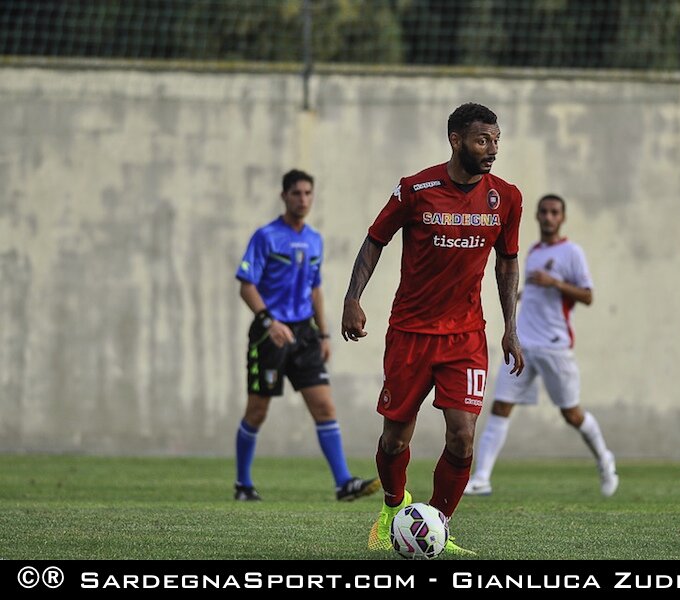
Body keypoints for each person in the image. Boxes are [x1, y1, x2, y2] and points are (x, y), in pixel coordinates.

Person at [341, 103, 525, 556]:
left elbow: (507, 261)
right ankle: (391, 508)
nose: (492, 150)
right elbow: (375, 239)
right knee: (394, 439)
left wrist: (510, 328)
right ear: (456, 140)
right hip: (410, 333)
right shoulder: (416, 189)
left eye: (497, 140)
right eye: (483, 140)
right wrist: (352, 298)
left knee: (463, 436)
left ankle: (437, 527)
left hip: (465, 337)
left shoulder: (507, 197)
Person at [233, 169, 379, 502]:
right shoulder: (266, 236)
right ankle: (242, 484)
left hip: (305, 334)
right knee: (257, 411)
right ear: (284, 196)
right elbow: (246, 285)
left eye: (308, 193)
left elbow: (315, 289)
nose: (303, 199)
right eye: (296, 193)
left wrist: (324, 333)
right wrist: (269, 321)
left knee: (325, 407)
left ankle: (344, 483)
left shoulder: (315, 239)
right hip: (270, 334)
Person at [464, 194, 619, 498]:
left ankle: (605, 459)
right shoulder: (533, 251)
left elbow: (587, 296)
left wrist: (555, 283)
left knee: (571, 414)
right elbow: (537, 290)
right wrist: (526, 296)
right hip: (524, 344)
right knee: (500, 406)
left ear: (562, 218)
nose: (548, 217)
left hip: (554, 346)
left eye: (554, 213)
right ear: (536, 216)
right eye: (544, 212)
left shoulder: (571, 252)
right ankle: (481, 478)